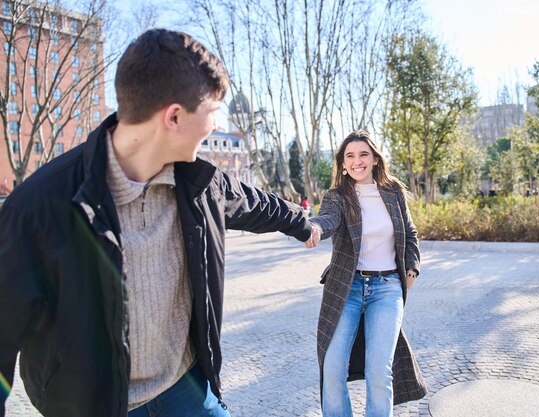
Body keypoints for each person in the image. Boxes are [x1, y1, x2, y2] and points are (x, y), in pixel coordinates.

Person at [0, 29, 316, 417]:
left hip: (184, 388)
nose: (217, 125)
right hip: (94, 407)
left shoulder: (200, 182)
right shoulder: (37, 206)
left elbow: (254, 202)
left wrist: (303, 223)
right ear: (175, 117)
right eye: (214, 111)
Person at [305, 130, 427, 416]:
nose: (357, 161)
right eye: (350, 156)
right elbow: (328, 220)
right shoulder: (337, 196)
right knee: (333, 367)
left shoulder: (393, 191)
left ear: (374, 159)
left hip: (387, 288)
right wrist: (314, 228)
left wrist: (411, 269)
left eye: (363, 154)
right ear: (343, 163)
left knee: (379, 371)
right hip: (346, 289)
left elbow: (410, 232)